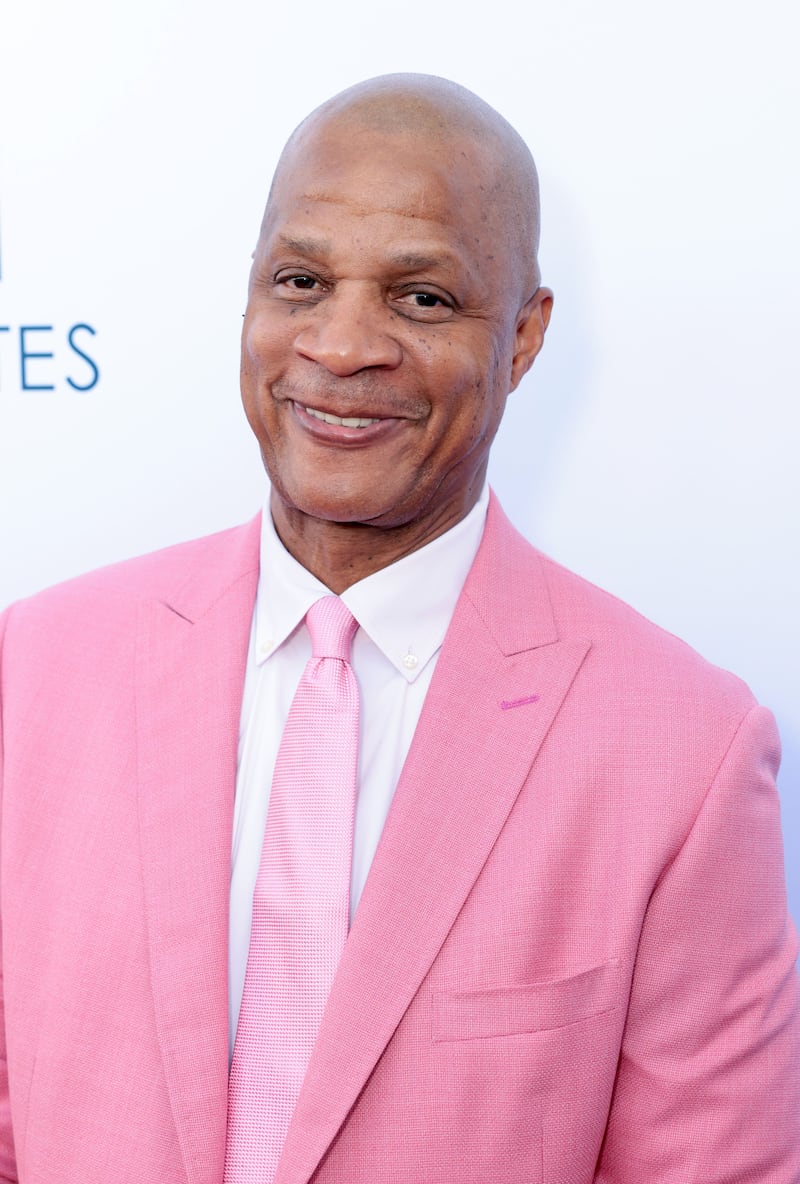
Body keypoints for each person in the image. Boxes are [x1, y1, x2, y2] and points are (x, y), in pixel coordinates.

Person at [0, 73, 797, 1184]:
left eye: (420, 299)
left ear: (520, 337)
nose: (340, 344)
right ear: (249, 299)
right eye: (300, 279)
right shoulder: (31, 675)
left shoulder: (684, 752)